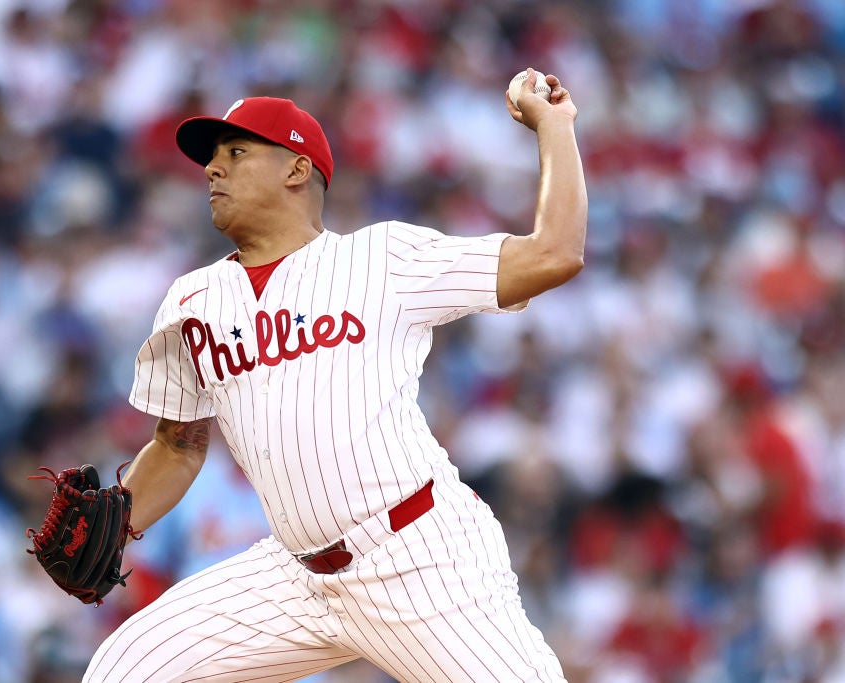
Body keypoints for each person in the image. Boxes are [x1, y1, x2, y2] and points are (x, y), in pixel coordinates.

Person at [84, 68, 587, 682]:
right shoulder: (192, 301)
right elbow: (178, 445)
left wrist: (555, 127)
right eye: (211, 159)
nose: (213, 169)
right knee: (124, 670)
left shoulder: (381, 260)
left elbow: (554, 253)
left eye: (236, 153)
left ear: (297, 169)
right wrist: (120, 518)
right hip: (293, 576)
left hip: (418, 558)